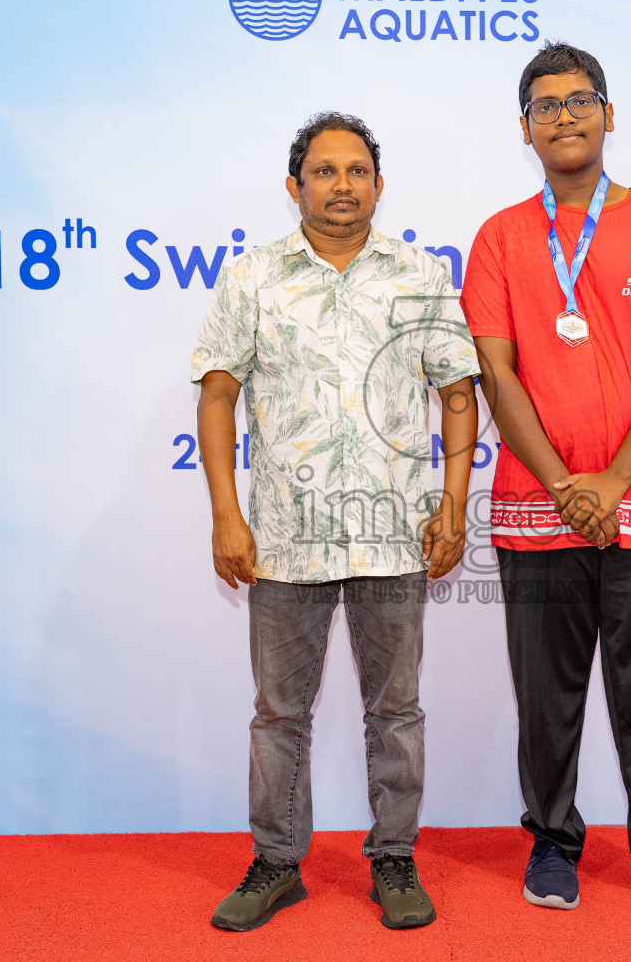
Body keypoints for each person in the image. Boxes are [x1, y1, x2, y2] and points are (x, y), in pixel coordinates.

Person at [191, 111, 480, 932]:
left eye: (357, 171)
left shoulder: (419, 276)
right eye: (324, 171)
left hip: (394, 530)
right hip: (284, 536)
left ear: (379, 186)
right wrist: (226, 514)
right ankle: (277, 864)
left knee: (396, 710)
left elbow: (457, 392)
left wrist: (454, 503)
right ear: (295, 187)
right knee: (279, 712)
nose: (342, 185)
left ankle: (393, 858)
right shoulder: (252, 279)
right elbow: (219, 395)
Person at [460, 42, 631, 916]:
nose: (564, 116)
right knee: (546, 697)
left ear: (610, 115)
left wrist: (611, 481)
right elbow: (496, 375)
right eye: (545, 105)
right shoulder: (501, 237)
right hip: (535, 509)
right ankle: (551, 840)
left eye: (581, 100)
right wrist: (566, 485)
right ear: (525, 129)